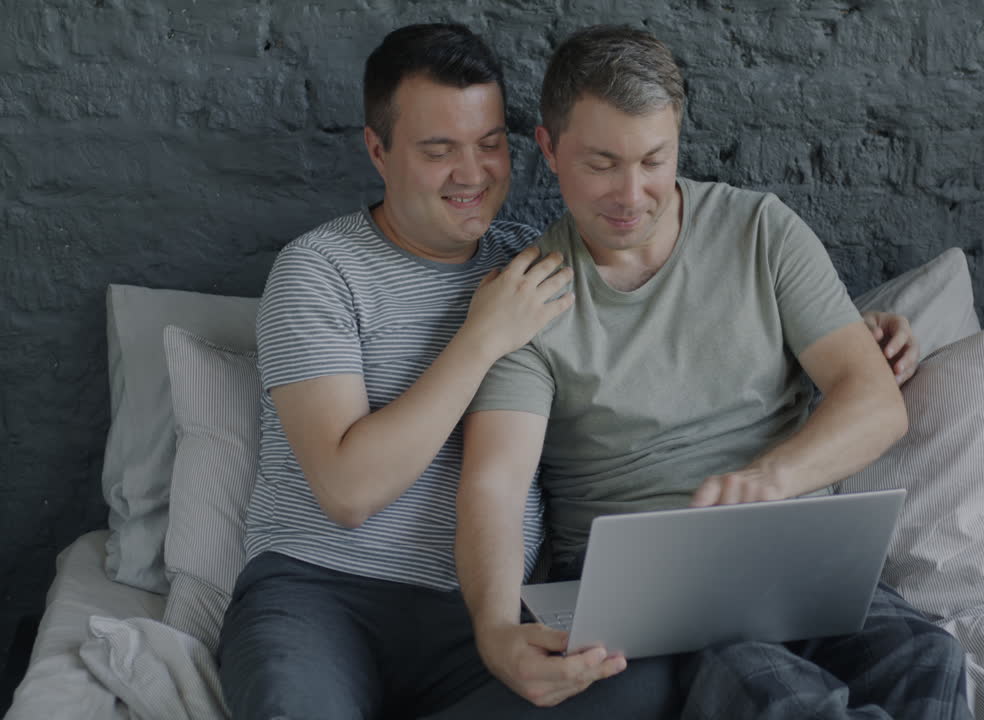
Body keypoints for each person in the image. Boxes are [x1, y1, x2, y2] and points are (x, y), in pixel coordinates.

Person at [457, 25, 969, 720]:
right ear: (548, 150)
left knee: (930, 658)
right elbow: (494, 482)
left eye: (654, 160)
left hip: (791, 546)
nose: (632, 194)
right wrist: (494, 630)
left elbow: (875, 400)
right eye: (602, 164)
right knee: (778, 693)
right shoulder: (527, 296)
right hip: (650, 583)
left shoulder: (761, 231)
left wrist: (773, 480)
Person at [217, 23, 682, 720]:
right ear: (378, 150)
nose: (473, 174)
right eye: (439, 151)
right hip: (323, 594)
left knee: (636, 686)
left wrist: (832, 341)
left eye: (490, 143)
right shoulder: (318, 271)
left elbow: (667, 326)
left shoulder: (537, 262)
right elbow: (348, 491)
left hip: (483, 614)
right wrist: (481, 337)